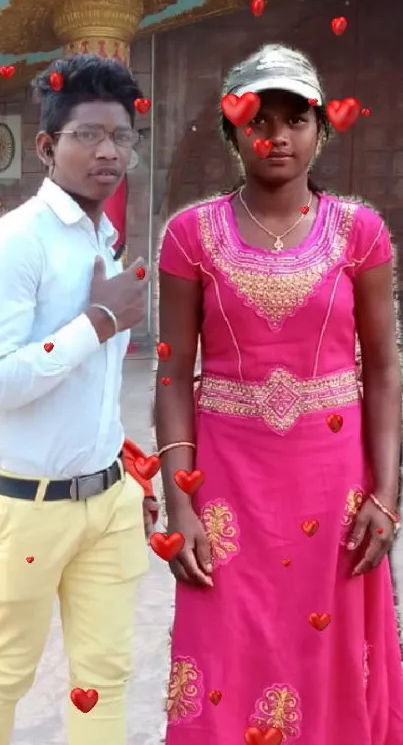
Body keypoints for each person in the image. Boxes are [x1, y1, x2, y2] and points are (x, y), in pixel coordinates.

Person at [155, 43, 403, 745]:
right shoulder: (189, 236)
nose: (277, 135)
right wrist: (179, 503)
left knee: (326, 658)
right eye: (257, 119)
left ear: (320, 130)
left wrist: (386, 496)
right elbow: (173, 373)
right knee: (224, 656)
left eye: (295, 119)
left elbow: (383, 369)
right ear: (231, 130)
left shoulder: (359, 233)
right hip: (226, 490)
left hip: (333, 495)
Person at [0, 53, 157, 745]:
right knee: (5, 677)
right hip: (24, 508)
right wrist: (96, 322)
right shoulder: (17, 242)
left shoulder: (103, 238)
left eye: (121, 136)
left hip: (107, 505)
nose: (107, 151)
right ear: (46, 146)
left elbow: (89, 390)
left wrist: (121, 468)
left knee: (104, 677)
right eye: (87, 134)